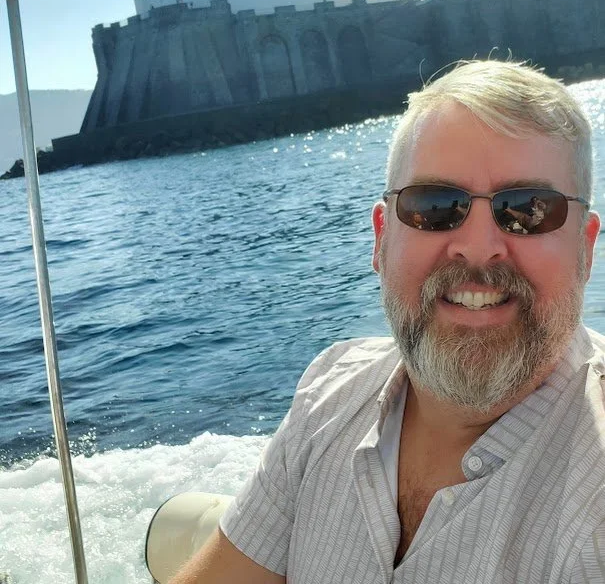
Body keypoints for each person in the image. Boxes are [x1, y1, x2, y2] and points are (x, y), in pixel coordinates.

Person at [170, 60, 605, 584]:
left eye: (529, 209)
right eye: (435, 205)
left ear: (585, 247)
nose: (479, 247)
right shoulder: (329, 394)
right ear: (381, 239)